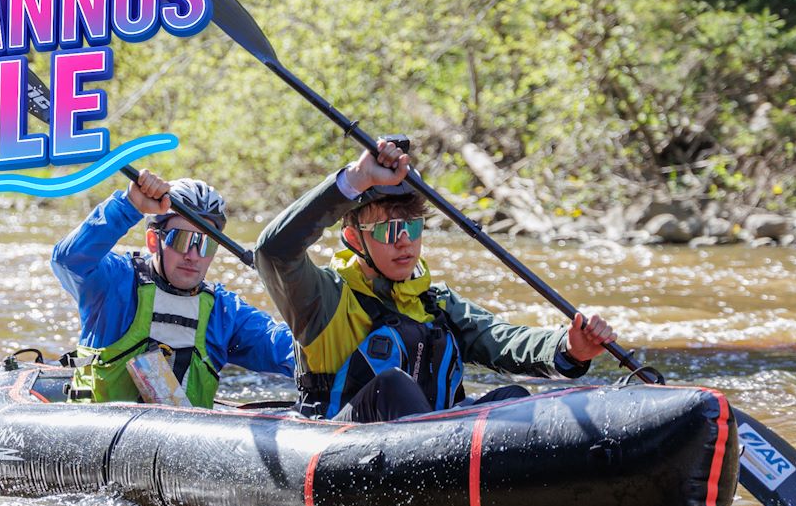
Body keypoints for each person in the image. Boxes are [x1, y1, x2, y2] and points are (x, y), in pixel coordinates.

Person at [254, 139, 617, 421]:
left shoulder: (436, 302)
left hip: (436, 451)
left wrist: (568, 347)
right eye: (389, 230)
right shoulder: (323, 299)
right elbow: (273, 251)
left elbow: (504, 341)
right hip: (343, 450)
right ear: (354, 239)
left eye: (412, 227)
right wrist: (355, 180)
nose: (404, 241)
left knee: (513, 400)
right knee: (391, 386)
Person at [52, 170, 294, 407]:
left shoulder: (224, 312)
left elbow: (280, 345)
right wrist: (129, 205)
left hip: (183, 434)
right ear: (152, 240)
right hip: (101, 429)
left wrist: (315, 344)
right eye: (181, 239)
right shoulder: (114, 284)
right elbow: (68, 259)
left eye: (206, 244)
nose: (193, 255)